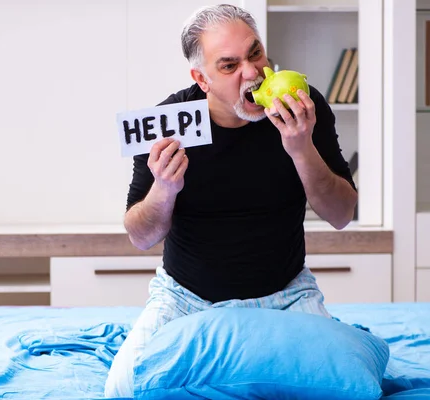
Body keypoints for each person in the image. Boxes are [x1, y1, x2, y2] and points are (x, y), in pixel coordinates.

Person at [104, 3, 358, 398]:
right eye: (229, 65)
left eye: (255, 53)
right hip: (185, 297)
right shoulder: (167, 122)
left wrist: (301, 149)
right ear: (201, 79)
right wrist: (164, 190)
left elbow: (341, 215)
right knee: (122, 390)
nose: (252, 72)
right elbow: (140, 236)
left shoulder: (302, 106)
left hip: (287, 295)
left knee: (348, 387)